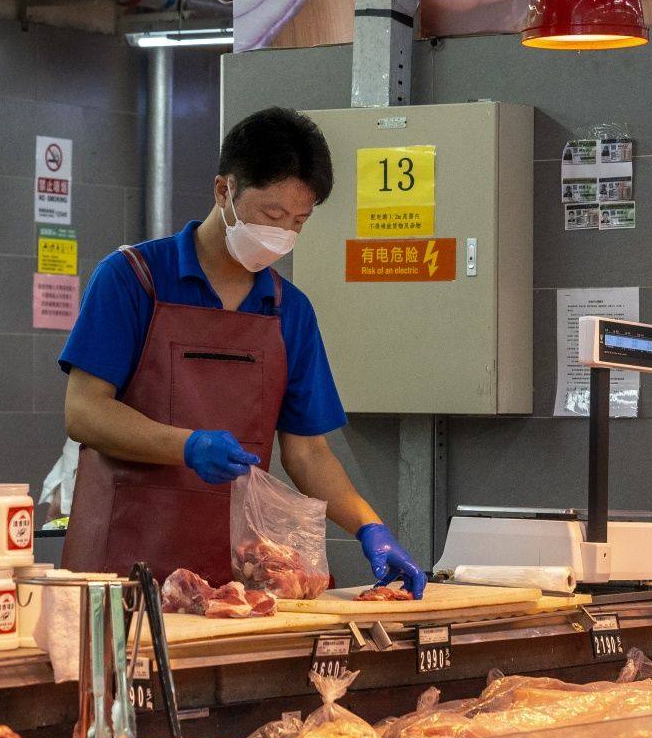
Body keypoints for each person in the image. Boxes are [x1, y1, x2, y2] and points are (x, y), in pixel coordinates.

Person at [58, 107, 426, 597]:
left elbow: (308, 451)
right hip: (122, 571)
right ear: (223, 190)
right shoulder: (133, 279)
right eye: (272, 215)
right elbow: (84, 412)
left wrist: (368, 527)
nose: (283, 234)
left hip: (234, 581)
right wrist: (187, 446)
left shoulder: (288, 312)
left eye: (299, 221)